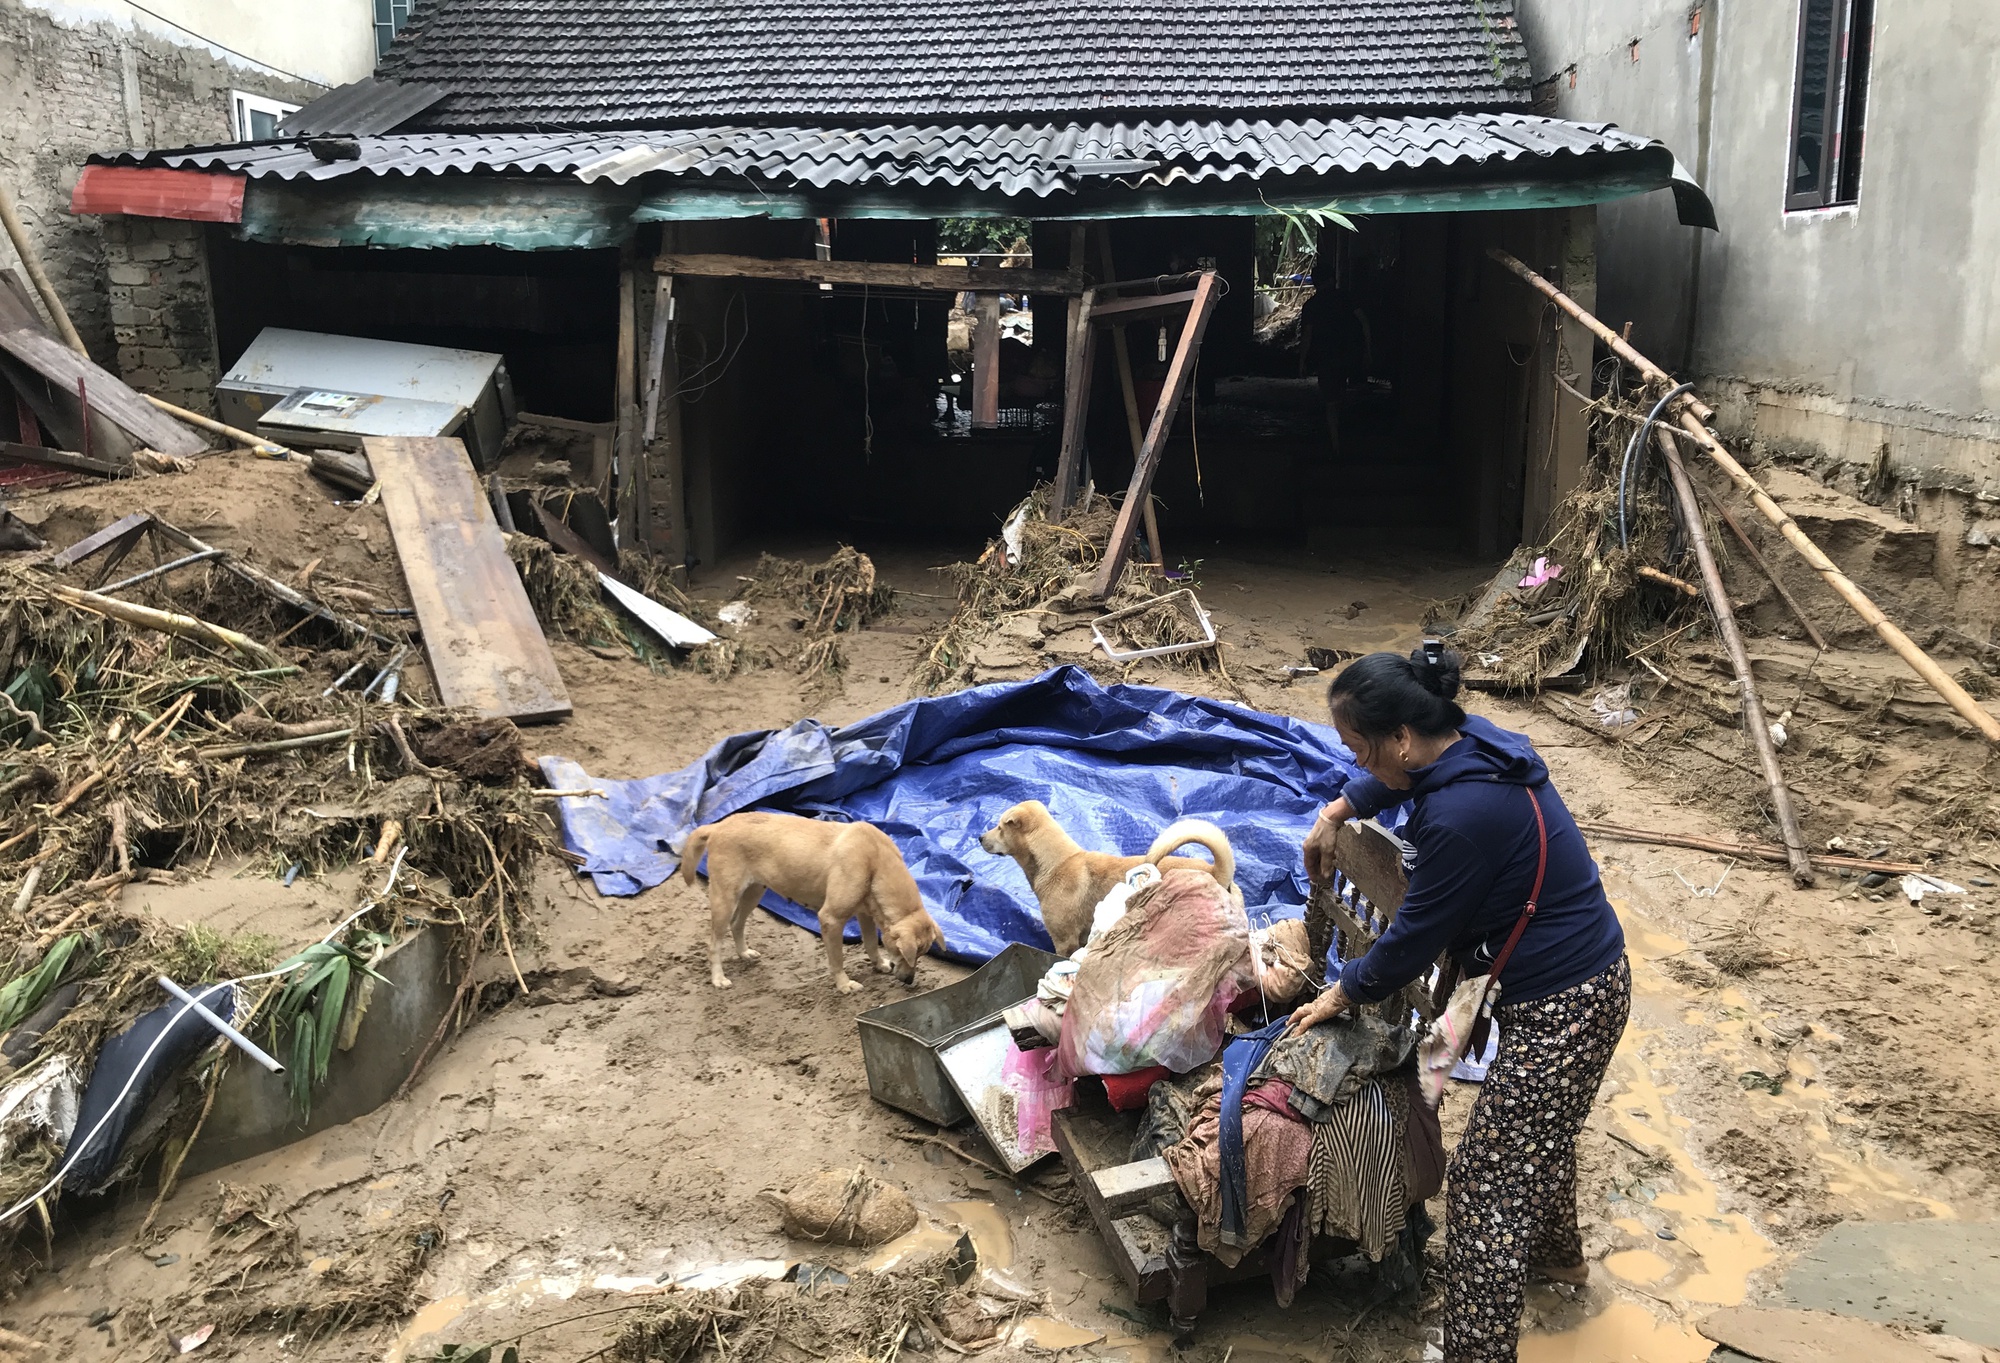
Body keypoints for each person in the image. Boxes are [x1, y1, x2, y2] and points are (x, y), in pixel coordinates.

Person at [1286, 643, 1630, 1363]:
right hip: (1576, 979)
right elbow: (1392, 783)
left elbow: (1412, 942)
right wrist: (1340, 807)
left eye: (1359, 749)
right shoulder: (1468, 742)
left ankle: (1479, 1351)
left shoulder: (1459, 817)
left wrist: (1344, 989)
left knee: (1484, 1189)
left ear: (1402, 738)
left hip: (1567, 1005)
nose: (1357, 762)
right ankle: (1557, 1260)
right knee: (1534, 1133)